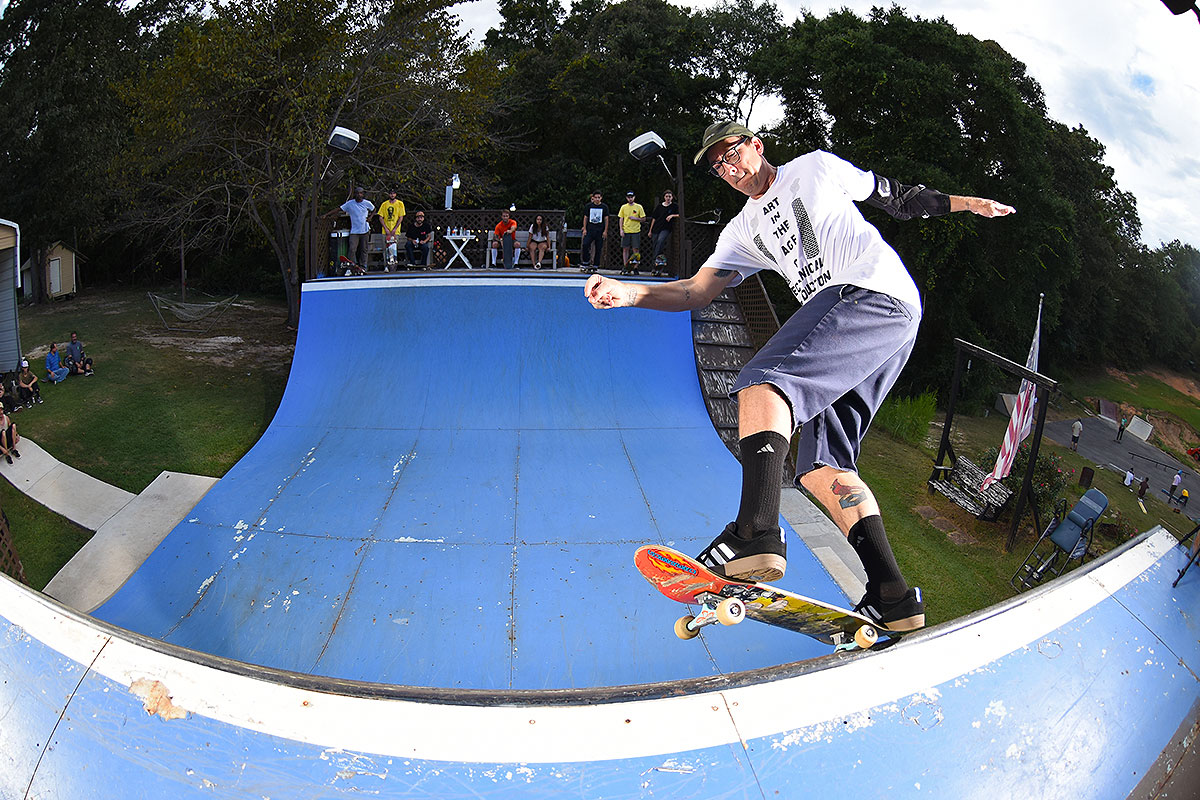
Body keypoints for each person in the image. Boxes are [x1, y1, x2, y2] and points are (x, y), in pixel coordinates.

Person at [584, 121, 1015, 632]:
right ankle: (892, 595)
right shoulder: (742, 230)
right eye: (719, 166)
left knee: (761, 382)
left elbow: (896, 197)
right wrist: (630, 293)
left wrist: (967, 203)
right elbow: (697, 291)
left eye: (732, 154)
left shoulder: (815, 168)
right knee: (821, 467)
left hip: (868, 293)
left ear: (756, 146)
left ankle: (756, 530)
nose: (728, 169)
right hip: (879, 328)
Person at [323, 187, 375, 274]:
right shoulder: (350, 204)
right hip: (354, 231)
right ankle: (352, 266)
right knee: (352, 249)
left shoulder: (367, 203)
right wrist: (327, 215)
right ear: (355, 194)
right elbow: (339, 209)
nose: (359, 195)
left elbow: (374, 210)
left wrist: (370, 217)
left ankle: (363, 266)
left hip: (365, 230)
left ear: (363, 194)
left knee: (364, 249)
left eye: (361, 193)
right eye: (357, 193)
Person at [648, 190, 680, 276]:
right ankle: (655, 267)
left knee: (660, 242)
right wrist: (650, 230)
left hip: (666, 229)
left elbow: (680, 214)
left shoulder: (674, 206)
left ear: (672, 197)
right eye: (667, 196)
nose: (668, 198)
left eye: (670, 196)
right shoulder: (659, 206)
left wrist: (672, 215)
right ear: (664, 197)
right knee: (656, 246)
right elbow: (654, 218)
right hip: (656, 228)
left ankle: (656, 264)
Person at [618, 191, 647, 274]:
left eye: (631, 197)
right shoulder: (623, 207)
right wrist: (621, 229)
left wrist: (636, 218)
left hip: (636, 231)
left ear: (634, 197)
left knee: (636, 249)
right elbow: (621, 218)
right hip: (626, 230)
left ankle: (635, 267)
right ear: (626, 198)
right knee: (625, 249)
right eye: (628, 197)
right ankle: (625, 266)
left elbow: (643, 218)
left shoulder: (639, 207)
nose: (630, 199)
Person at [580, 191, 609, 272]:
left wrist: (605, 231)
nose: (597, 199)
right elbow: (585, 217)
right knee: (585, 244)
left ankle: (596, 264)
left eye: (598, 197)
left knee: (598, 248)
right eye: (595, 197)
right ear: (593, 198)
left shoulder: (604, 207)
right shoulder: (589, 206)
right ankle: (586, 262)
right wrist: (585, 228)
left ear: (601, 198)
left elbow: (606, 219)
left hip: (599, 230)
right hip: (590, 229)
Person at [377, 189, 406, 269]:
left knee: (393, 248)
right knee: (386, 248)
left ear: (395, 194)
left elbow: (401, 217)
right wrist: (386, 228)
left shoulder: (400, 204)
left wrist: (394, 229)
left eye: (393, 193)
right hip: (385, 230)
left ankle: (393, 266)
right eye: (390, 194)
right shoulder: (384, 204)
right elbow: (380, 217)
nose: (392, 195)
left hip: (395, 230)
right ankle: (386, 265)